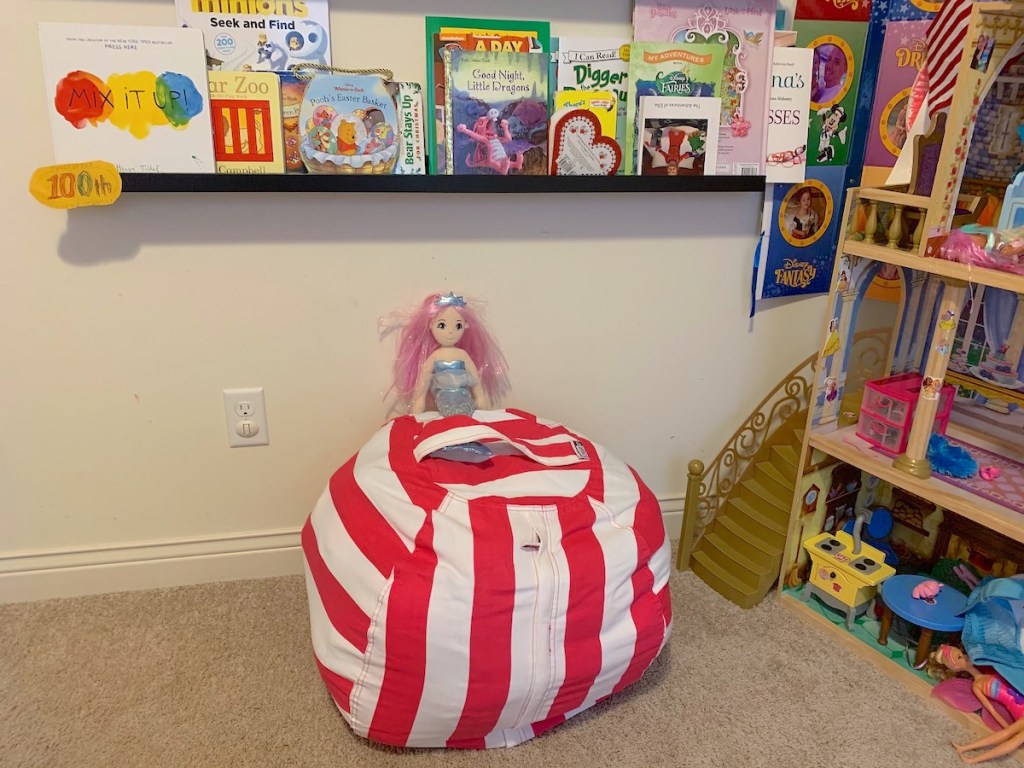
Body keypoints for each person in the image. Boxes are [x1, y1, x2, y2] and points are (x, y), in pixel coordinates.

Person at [381, 292, 510, 417]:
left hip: (465, 399)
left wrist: (480, 397)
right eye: (442, 325)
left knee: (463, 419)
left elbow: (475, 380)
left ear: (466, 325)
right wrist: (418, 403)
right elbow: (423, 383)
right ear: (431, 325)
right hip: (443, 401)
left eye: (457, 325)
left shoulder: (462, 355)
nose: (450, 332)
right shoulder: (435, 357)